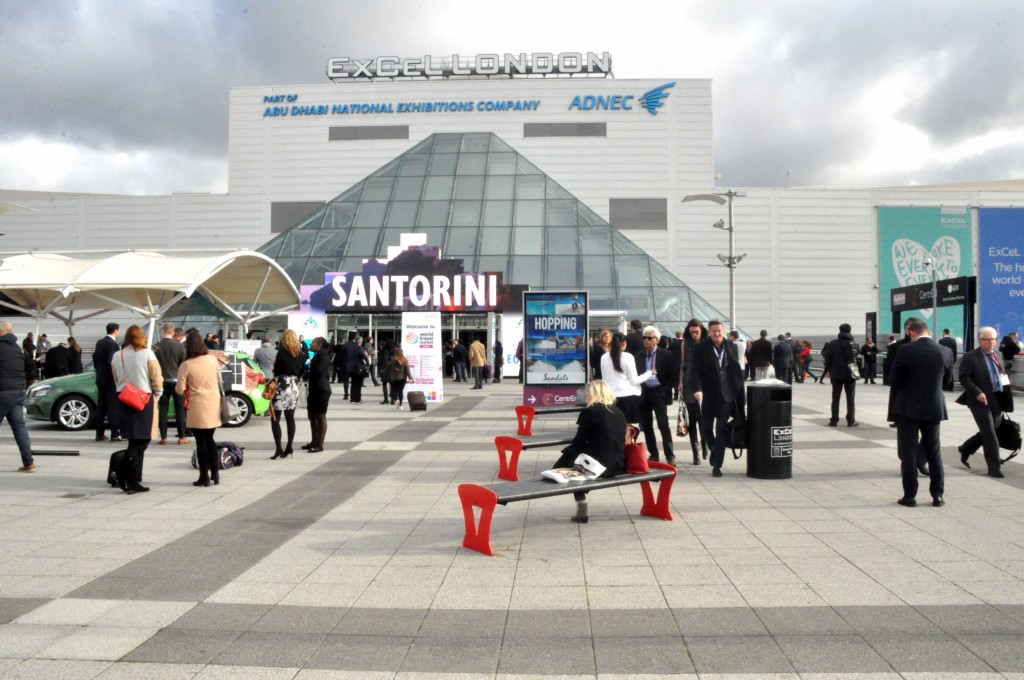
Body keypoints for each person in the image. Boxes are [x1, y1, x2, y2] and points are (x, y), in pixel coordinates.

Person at [889, 318, 953, 507]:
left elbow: (894, 379)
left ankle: (910, 496)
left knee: (908, 454)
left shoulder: (906, 350)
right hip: (933, 407)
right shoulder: (945, 351)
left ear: (911, 332)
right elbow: (948, 381)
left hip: (908, 408)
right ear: (928, 332)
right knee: (934, 452)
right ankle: (937, 495)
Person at [550, 380, 627, 524]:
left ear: (594, 394)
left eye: (587, 393)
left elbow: (579, 441)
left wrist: (564, 456)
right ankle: (583, 495)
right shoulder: (618, 412)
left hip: (598, 467)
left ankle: (582, 506)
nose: (585, 396)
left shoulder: (590, 412)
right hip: (617, 464)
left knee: (568, 464)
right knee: (572, 460)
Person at [687, 319, 745, 477]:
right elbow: (695, 370)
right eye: (714, 331)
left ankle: (717, 466)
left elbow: (737, 371)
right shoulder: (701, 348)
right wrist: (697, 389)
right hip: (708, 395)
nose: (717, 334)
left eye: (719, 331)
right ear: (709, 332)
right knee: (705, 429)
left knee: (721, 429)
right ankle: (713, 449)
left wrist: (741, 395)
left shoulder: (731, 346)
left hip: (726, 397)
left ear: (723, 331)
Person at [110, 325, 162, 494]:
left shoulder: (118, 355)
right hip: (143, 399)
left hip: (124, 398)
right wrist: (158, 392)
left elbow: (115, 377)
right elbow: (156, 375)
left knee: (133, 438)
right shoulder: (148, 353)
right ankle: (130, 477)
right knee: (142, 438)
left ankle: (133, 475)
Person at [957, 327, 1014, 477]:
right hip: (979, 400)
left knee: (993, 429)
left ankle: (966, 448)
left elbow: (1000, 373)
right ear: (980, 340)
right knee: (989, 434)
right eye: (988, 339)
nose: (992, 342)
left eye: (994, 339)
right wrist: (977, 392)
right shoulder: (971, 356)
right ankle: (994, 468)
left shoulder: (998, 355)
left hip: (996, 398)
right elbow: (964, 377)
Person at [176, 331, 223, 487]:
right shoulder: (212, 359)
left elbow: (179, 389)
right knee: (210, 439)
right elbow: (219, 379)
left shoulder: (187, 364)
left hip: (197, 406)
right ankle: (215, 473)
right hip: (213, 403)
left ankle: (204, 476)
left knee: (201, 441)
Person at [634, 325, 677, 466]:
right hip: (644, 393)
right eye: (644, 338)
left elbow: (673, 376)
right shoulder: (639, 355)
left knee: (663, 424)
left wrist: (665, 390)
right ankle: (653, 454)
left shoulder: (666, 354)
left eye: (649, 338)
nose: (646, 340)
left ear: (657, 340)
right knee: (647, 426)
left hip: (659, 392)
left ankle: (670, 455)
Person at [0, 321, 36, 472]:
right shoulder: (17, 348)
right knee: (20, 428)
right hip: (19, 391)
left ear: (1, 332)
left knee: (19, 427)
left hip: (3, 392)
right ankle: (29, 463)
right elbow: (29, 366)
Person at [600, 331, 652, 429]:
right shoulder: (628, 357)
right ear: (624, 343)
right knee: (627, 429)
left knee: (613, 428)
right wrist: (649, 373)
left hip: (610, 397)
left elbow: (604, 379)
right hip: (627, 398)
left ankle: (616, 445)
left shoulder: (604, 357)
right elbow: (634, 380)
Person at [270, 329, 304, 459]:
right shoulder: (300, 354)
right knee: (290, 417)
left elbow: (277, 370)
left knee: (275, 418)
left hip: (281, 385)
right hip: (293, 386)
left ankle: (279, 448)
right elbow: (301, 370)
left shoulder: (282, 353)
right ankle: (289, 447)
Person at [154, 322, 189, 446]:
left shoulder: (155, 346)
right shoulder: (179, 346)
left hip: (161, 381)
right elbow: (184, 364)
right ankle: (182, 437)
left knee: (163, 410)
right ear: (173, 333)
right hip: (176, 381)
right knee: (180, 409)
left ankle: (164, 437)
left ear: (163, 331)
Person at [681, 320, 708, 464]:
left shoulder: (707, 343)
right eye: (691, 332)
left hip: (704, 385)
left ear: (701, 330)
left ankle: (705, 444)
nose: (694, 334)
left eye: (696, 332)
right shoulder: (685, 343)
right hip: (689, 384)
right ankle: (695, 450)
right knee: (692, 419)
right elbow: (682, 364)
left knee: (702, 418)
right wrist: (680, 381)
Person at [822, 323, 860, 427]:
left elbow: (827, 358)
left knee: (835, 398)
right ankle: (851, 420)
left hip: (836, 374)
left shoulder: (832, 344)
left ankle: (834, 420)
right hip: (850, 374)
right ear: (850, 331)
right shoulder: (855, 344)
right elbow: (856, 356)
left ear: (840, 330)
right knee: (850, 398)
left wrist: (830, 369)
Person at [94, 322, 123, 442]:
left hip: (100, 379)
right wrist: (116, 378)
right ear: (116, 330)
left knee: (101, 407)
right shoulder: (113, 344)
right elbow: (111, 362)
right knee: (113, 408)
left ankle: (99, 434)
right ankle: (115, 434)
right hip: (110, 381)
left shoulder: (99, 342)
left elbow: (95, 358)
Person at [305, 337, 332, 452]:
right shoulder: (318, 355)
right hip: (315, 388)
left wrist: (307, 374)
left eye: (312, 343)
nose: (310, 345)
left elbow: (319, 372)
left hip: (321, 389)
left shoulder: (323, 355)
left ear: (319, 344)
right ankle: (314, 441)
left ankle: (319, 444)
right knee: (312, 415)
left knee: (320, 416)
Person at [346, 335, 369, 404]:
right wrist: (368, 363)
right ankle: (358, 399)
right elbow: (364, 356)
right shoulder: (359, 348)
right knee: (358, 384)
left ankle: (352, 399)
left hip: (351, 368)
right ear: (360, 341)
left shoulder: (350, 347)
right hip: (358, 368)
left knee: (353, 383)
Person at [377, 339, 393, 404]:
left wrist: (381, 369)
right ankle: (393, 400)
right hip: (392, 369)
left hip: (385, 369)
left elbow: (383, 361)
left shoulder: (383, 351)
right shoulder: (393, 351)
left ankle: (386, 399)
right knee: (392, 384)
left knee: (384, 384)